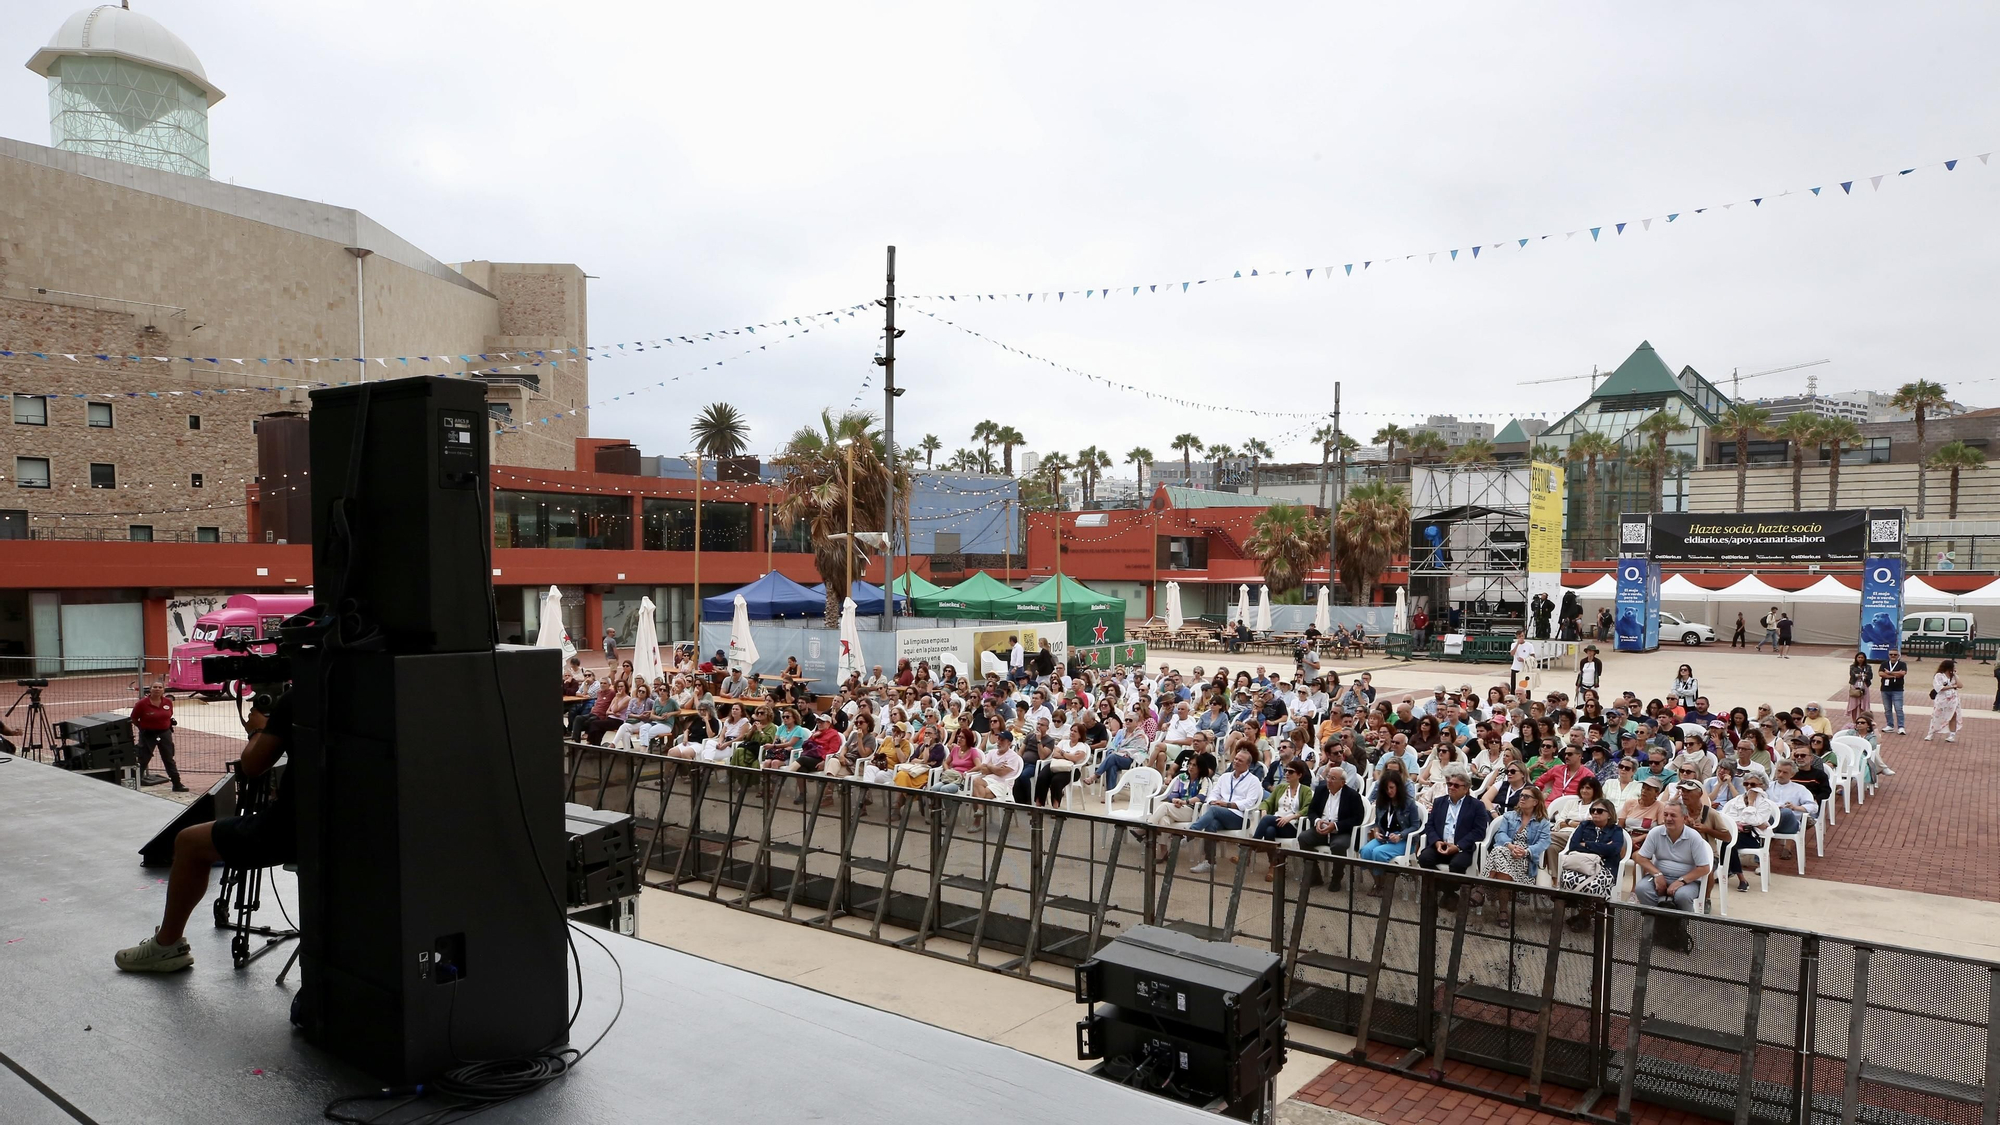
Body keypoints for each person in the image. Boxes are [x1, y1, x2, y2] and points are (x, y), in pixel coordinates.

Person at [116, 692, 295, 972]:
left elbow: (252, 765)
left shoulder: (300, 699)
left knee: (188, 841)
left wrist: (259, 729)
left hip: (294, 827)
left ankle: (167, 946)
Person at [1633, 803, 1714, 952]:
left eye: (1673, 815)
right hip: (1661, 874)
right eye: (1666, 815)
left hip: (1687, 880)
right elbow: (1641, 857)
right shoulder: (1656, 832)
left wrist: (1681, 881)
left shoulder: (1693, 837)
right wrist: (1657, 874)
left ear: (1684, 818)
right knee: (1642, 889)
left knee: (1682, 896)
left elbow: (1704, 868)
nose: (1668, 819)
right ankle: (1658, 927)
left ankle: (1679, 930)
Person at [1416, 764, 1490, 903]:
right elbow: (1429, 825)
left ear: (1466, 788)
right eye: (1449, 784)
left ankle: (1447, 894)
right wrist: (1436, 841)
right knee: (1424, 858)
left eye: (1456, 785)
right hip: (1440, 844)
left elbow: (1479, 832)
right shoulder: (1439, 802)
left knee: (1457, 865)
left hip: (1461, 848)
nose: (1451, 787)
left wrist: (1459, 846)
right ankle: (1450, 894)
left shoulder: (1476, 805)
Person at [1188, 747, 1266, 873]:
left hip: (1240, 817)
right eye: (1235, 758)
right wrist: (1213, 801)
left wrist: (1227, 805)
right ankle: (1210, 862)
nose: (1236, 761)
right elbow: (1213, 794)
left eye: (1240, 760)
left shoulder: (1253, 781)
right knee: (1211, 825)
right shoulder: (1225, 777)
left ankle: (1191, 832)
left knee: (1214, 810)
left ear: (1248, 764)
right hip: (1221, 813)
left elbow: (1249, 803)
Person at [1558, 799, 1627, 926]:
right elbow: (1573, 846)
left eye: (1599, 811)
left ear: (1609, 814)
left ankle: (1585, 916)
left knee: (1593, 885)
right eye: (1592, 810)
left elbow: (1614, 849)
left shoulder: (1616, 830)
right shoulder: (1584, 825)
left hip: (1605, 867)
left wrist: (1587, 845)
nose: (1595, 813)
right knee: (1568, 878)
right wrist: (1601, 848)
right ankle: (1581, 913)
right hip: (1580, 864)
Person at [1484, 786, 1552, 910]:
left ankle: (1480, 888)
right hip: (1507, 852)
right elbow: (1500, 834)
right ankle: (1503, 910)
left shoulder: (1543, 822)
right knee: (1500, 851)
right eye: (1521, 795)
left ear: (1535, 802)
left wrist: (1525, 851)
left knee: (1497, 852)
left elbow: (1544, 842)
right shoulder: (1509, 816)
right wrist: (1510, 846)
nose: (1522, 798)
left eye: (1526, 796)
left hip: (1525, 861)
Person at [1252, 759, 1312, 879]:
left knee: (1268, 821)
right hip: (1275, 822)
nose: (1287, 774)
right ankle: (1273, 866)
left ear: (1299, 775)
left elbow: (1308, 808)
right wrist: (1264, 811)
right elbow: (1267, 802)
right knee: (1269, 831)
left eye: (1291, 772)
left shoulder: (1306, 791)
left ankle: (1251, 848)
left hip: (1292, 826)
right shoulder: (1281, 788)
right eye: (1286, 771)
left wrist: (1291, 817)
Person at [1720, 775, 1781, 891]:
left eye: (1752, 785)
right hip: (1736, 833)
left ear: (1761, 786)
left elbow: (1752, 821)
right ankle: (1740, 877)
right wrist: (1750, 821)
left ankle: (1730, 873)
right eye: (1746, 784)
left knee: (1728, 842)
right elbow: (1729, 818)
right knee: (1727, 842)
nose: (1748, 787)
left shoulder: (1765, 804)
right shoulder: (1737, 800)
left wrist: (1751, 803)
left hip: (1754, 837)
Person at [131, 681, 186, 792]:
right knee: (143, 759)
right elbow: (134, 718)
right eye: (155, 687)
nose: (157, 689)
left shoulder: (168, 702)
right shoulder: (142, 704)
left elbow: (169, 715)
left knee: (168, 759)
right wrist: (142, 728)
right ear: (150, 689)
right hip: (148, 734)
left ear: (163, 690)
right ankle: (134, 785)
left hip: (165, 734)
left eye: (160, 687)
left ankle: (177, 784)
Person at [1926, 660, 1962, 742]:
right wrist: (1952, 686)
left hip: (1953, 698)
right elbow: (1939, 687)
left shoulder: (1953, 676)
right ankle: (1931, 733)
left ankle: (1952, 735)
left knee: (1953, 715)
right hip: (1942, 699)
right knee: (1936, 715)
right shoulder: (1939, 676)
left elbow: (1960, 685)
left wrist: (1955, 674)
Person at [1878, 648, 1909, 734]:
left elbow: (1902, 673)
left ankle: (1901, 727)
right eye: (1891, 654)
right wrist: (1895, 675)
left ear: (1898, 656)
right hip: (1885, 689)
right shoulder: (1884, 663)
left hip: (1897, 689)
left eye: (1895, 655)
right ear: (1888, 655)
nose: (1893, 656)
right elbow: (1881, 673)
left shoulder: (1902, 664)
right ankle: (1890, 725)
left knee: (1898, 708)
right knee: (1887, 709)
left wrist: (1889, 673)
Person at [1843, 653, 1873, 726]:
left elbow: (1870, 676)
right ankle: (1854, 722)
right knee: (1854, 705)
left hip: (1864, 686)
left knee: (1864, 704)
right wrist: (1861, 675)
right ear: (1856, 658)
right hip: (1855, 686)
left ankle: (1863, 721)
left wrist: (1862, 675)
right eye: (1859, 657)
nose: (1860, 659)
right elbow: (1853, 675)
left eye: (1862, 657)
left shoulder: (1868, 667)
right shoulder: (1853, 667)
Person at [1509, 630, 1537, 697]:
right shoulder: (1513, 644)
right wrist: (1517, 644)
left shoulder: (1529, 645)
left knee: (1526, 687)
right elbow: (1512, 653)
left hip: (1525, 668)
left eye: (1522, 636)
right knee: (1514, 686)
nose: (1521, 638)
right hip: (1515, 668)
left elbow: (1533, 656)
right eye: (1519, 636)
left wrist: (1524, 660)